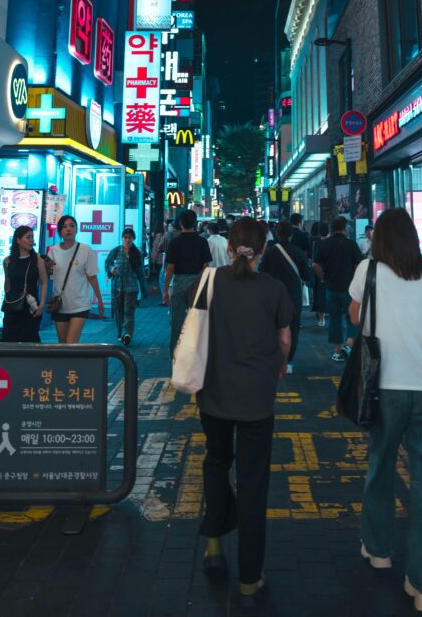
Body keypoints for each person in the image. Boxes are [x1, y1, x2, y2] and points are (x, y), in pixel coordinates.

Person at [349, 208, 422, 614]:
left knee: (381, 465)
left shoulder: (369, 271)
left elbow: (357, 318)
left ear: (378, 238)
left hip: (386, 387)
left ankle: (378, 550)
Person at [190, 216, 293, 608]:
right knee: (253, 483)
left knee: (217, 461)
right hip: (257, 399)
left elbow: (192, 328)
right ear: (262, 249)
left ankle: (214, 543)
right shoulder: (274, 288)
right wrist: (278, 366)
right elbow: (284, 339)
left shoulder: (208, 282)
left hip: (213, 394)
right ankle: (250, 579)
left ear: (229, 247)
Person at [258, 220, 312, 373]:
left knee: (272, 325)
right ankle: (288, 361)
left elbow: (262, 272)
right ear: (291, 235)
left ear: (276, 233)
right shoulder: (298, 252)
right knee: (293, 326)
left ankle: (273, 357)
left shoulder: (269, 252)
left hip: (272, 294)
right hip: (293, 294)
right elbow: (307, 275)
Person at [46, 214, 104, 343]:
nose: (68, 229)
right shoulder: (53, 251)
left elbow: (92, 277)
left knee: (71, 343)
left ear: (76, 229)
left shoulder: (85, 250)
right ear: (60, 231)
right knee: (62, 343)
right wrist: (46, 268)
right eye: (64, 226)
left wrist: (100, 300)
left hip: (80, 304)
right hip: (60, 304)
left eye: (72, 226)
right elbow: (49, 276)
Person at [163, 208, 212, 357]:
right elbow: (206, 266)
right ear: (195, 223)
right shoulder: (202, 241)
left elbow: (170, 268)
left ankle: (176, 355)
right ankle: (198, 354)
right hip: (197, 284)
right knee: (198, 322)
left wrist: (165, 290)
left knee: (176, 323)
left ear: (180, 223)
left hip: (179, 284)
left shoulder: (175, 243)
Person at [313, 215, 362, 360]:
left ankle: (338, 351)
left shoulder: (324, 244)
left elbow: (315, 264)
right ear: (345, 228)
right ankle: (350, 344)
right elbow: (358, 265)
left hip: (331, 287)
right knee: (352, 316)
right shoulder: (351, 244)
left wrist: (322, 277)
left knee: (335, 319)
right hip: (349, 288)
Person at [2, 225, 46, 342]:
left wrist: (42, 304)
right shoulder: (8, 261)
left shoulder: (37, 259)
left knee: (30, 339)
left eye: (32, 237)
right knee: (9, 339)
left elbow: (44, 282)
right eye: (28, 237)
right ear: (18, 240)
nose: (31, 240)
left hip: (31, 306)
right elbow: (7, 284)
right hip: (12, 305)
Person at [106, 227, 147, 345]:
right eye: (125, 237)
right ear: (122, 238)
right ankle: (120, 332)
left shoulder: (137, 253)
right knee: (118, 312)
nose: (127, 240)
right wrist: (111, 269)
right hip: (117, 287)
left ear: (133, 239)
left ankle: (127, 334)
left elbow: (140, 273)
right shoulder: (116, 251)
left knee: (128, 311)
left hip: (131, 288)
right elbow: (108, 263)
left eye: (130, 238)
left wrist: (144, 290)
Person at [309, 221, 329, 326]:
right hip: (331, 271)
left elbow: (314, 260)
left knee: (320, 295)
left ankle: (321, 319)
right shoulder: (331, 242)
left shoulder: (316, 243)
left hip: (319, 271)